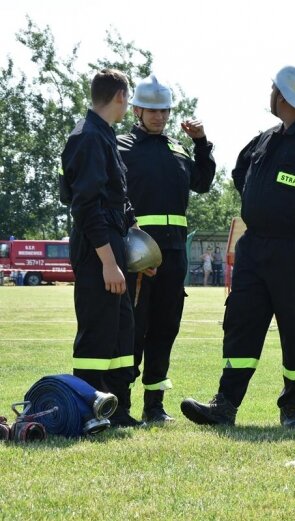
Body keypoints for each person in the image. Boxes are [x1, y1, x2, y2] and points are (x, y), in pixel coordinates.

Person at [180, 61, 295, 429]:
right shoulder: (266, 138)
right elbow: (240, 173)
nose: (270, 94)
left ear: (283, 94)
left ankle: (292, 409)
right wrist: (262, 201)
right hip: (255, 249)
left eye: (273, 88)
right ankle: (224, 406)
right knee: (240, 324)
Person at [118, 74, 216, 422]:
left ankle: (154, 407)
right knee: (134, 329)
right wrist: (132, 251)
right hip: (138, 256)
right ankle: (121, 405)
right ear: (138, 110)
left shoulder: (178, 149)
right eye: (152, 110)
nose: (159, 116)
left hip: (174, 257)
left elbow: (203, 183)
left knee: (165, 328)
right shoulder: (121, 148)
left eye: (165, 110)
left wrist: (201, 143)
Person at [59, 69, 144, 427]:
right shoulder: (88, 137)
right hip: (98, 248)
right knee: (97, 329)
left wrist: (139, 249)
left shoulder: (104, 135)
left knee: (121, 328)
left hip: (113, 243)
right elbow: (86, 206)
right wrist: (109, 262)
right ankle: (87, 411)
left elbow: (116, 199)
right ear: (121, 96)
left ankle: (118, 409)